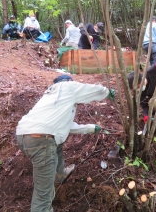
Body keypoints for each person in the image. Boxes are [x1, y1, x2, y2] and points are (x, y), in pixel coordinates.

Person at [15, 74, 115, 212]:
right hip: (41, 141)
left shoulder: (53, 97)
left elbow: (65, 126)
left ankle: (59, 174)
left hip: (24, 135)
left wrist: (90, 128)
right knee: (43, 196)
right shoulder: (67, 87)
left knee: (57, 144)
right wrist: (106, 92)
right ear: (68, 82)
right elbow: (89, 89)